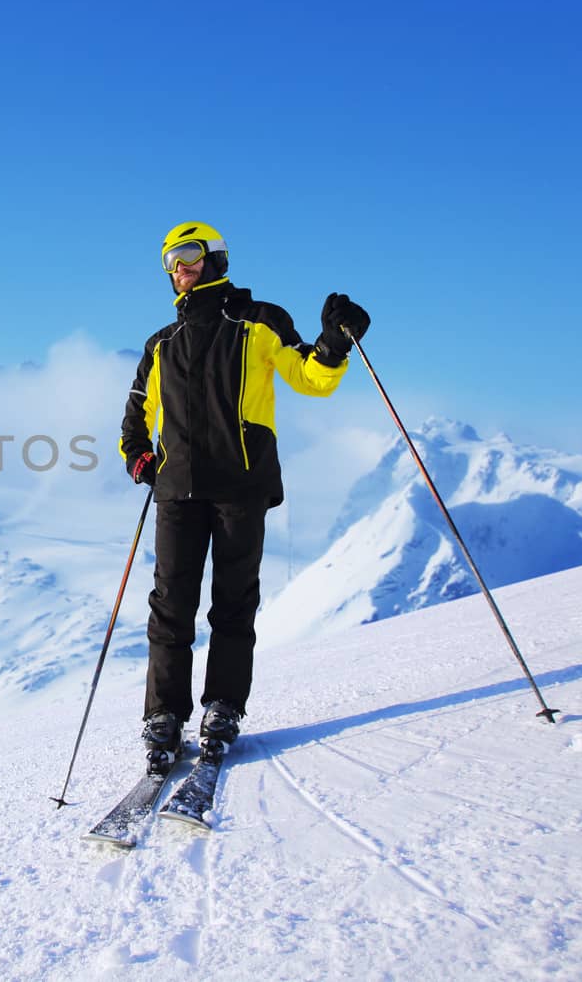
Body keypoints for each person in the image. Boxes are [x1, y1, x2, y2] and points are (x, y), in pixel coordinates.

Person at [119, 221, 369, 774]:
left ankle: (223, 707)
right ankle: (164, 715)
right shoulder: (162, 342)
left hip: (241, 485)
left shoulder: (259, 322)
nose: (177, 268)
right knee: (170, 607)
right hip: (178, 490)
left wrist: (333, 344)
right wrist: (138, 456)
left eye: (186, 254)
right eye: (168, 261)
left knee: (234, 603)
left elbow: (309, 378)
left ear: (213, 257)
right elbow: (138, 408)